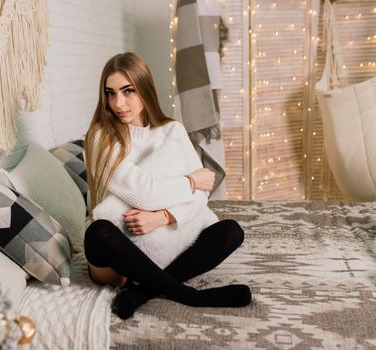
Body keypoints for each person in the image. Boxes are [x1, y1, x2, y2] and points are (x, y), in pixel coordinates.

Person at [84, 52, 251, 320]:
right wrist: (191, 181)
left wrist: (163, 217)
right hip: (118, 259)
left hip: (167, 244)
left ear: (144, 88)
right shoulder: (100, 138)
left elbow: (200, 198)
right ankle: (191, 297)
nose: (119, 103)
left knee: (231, 232)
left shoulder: (172, 131)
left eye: (128, 91)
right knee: (98, 232)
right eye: (110, 93)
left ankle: (142, 293)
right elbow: (143, 192)